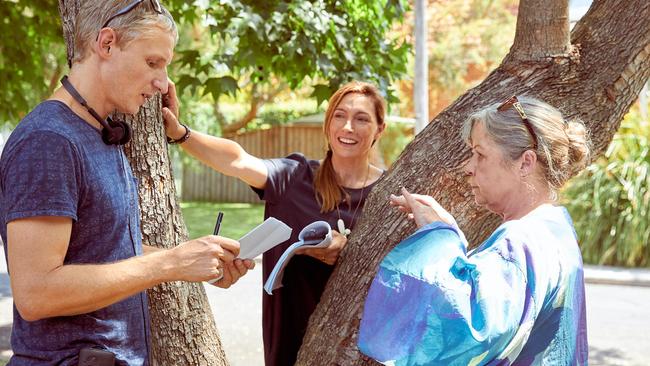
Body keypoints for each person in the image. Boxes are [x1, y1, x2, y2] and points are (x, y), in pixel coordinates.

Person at [0, 1, 254, 364]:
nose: (163, 83)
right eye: (153, 62)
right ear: (106, 44)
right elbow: (36, 293)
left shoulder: (99, 133)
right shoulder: (49, 140)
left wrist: (192, 259)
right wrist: (170, 265)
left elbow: (102, 250)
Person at [163, 81, 387, 365]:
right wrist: (181, 133)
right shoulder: (294, 177)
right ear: (328, 122)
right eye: (339, 115)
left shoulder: (387, 196)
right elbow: (238, 161)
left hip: (361, 350)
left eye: (362, 119)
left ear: (380, 129)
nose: (348, 127)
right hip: (289, 347)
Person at [357, 96, 590, 365]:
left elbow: (466, 333)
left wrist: (439, 238)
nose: (467, 167)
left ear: (525, 163)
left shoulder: (519, 240)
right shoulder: (554, 227)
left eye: (480, 154)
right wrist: (450, 234)